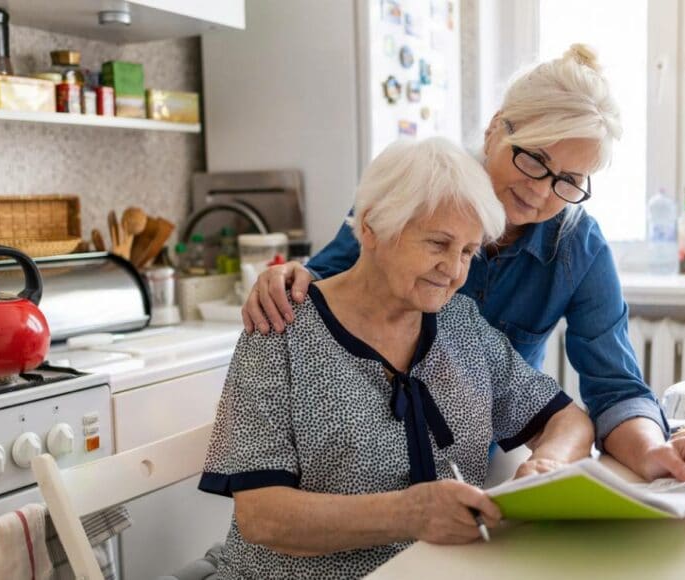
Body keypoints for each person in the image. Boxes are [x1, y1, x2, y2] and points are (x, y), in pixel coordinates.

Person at [241, 44, 685, 483]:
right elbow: (326, 285)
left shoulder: (579, 248)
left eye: (568, 180)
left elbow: (615, 389)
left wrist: (653, 451)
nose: (539, 190)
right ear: (496, 128)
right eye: (534, 158)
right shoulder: (416, 192)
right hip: (361, 464)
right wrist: (287, 277)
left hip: (477, 462)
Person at [199, 137, 594, 578]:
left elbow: (568, 420)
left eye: (467, 251)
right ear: (371, 227)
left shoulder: (461, 323)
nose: (454, 271)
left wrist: (549, 463)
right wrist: (409, 513)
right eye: (437, 243)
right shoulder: (281, 327)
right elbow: (262, 516)